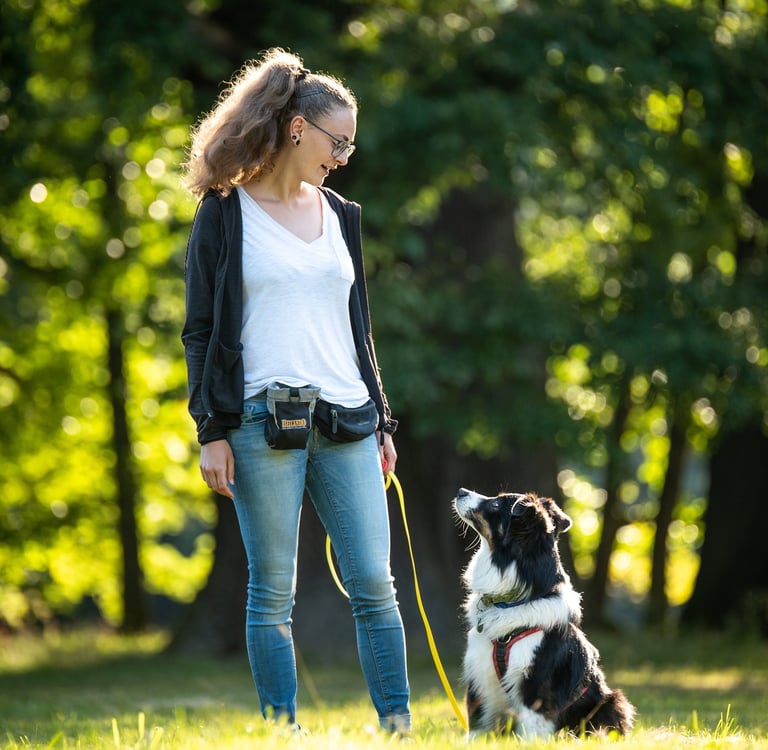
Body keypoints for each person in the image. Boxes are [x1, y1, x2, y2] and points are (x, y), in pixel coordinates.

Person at [180, 48, 411, 736]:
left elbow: (357, 326)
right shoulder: (224, 214)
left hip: (348, 419)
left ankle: (398, 726)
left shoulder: (341, 214)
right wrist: (211, 430)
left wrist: (383, 422)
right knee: (271, 594)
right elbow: (199, 330)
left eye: (351, 145)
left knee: (375, 585)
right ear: (297, 129)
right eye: (337, 142)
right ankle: (282, 729)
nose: (343, 156)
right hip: (257, 421)